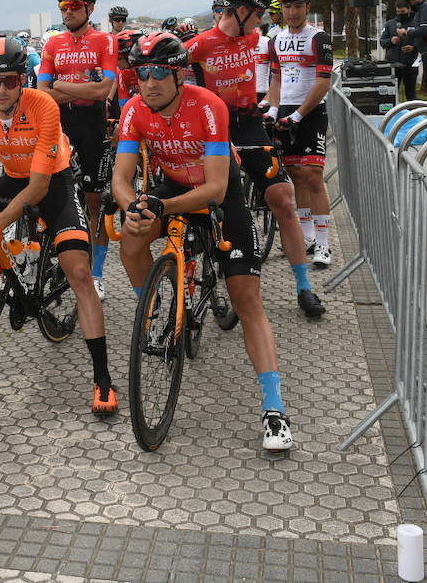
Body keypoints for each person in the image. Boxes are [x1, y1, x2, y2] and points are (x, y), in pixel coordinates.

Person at [113, 32, 295, 450]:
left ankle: (274, 409)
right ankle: (154, 307)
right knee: (131, 236)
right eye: (142, 74)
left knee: (247, 299)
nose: (150, 82)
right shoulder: (135, 110)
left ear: (179, 76)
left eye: (161, 72)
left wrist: (164, 206)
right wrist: (134, 208)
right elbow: (121, 180)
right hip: (173, 186)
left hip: (219, 193)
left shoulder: (208, 106)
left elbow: (214, 188)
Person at [0, 35, 117, 414]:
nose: (2, 89)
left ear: (24, 79)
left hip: (53, 181)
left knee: (80, 273)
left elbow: (38, 187)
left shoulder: (43, 106)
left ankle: (103, 379)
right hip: (13, 176)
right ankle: (2, 261)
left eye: (11, 81)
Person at [186, 0, 324, 315]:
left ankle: (304, 287)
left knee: (283, 199)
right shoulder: (200, 45)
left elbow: (276, 77)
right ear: (242, 9)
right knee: (198, 211)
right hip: (212, 128)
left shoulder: (260, 41)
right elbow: (173, 81)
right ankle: (189, 291)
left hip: (249, 124)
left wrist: (273, 107)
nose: (264, 19)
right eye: (260, 12)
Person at [38, 0, 117, 299]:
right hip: (61, 124)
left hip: (93, 126)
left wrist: (61, 84)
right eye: (62, 6)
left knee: (95, 203)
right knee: (52, 197)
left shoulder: (104, 40)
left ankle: (96, 273)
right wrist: (80, 86)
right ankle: (59, 260)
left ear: (89, 8)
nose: (67, 11)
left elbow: (103, 90)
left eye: (73, 6)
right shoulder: (53, 44)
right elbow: (42, 93)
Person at [264, 0, 335, 269]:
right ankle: (306, 235)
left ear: (308, 7)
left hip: (311, 111)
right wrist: (272, 108)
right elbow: (277, 79)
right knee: (295, 174)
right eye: (288, 7)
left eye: (297, 6)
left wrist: (298, 115)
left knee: (314, 177)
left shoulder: (319, 38)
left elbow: (323, 81)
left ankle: (324, 243)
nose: (292, 12)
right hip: (286, 110)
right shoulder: (275, 41)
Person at [381, 0, 419, 102]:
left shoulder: (416, 23)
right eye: (398, 12)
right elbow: (382, 42)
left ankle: (412, 113)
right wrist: (391, 41)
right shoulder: (390, 24)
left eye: (403, 12)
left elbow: (423, 41)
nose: (400, 14)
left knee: (411, 94)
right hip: (393, 63)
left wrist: (413, 47)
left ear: (409, 9)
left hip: (410, 63)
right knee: (390, 94)